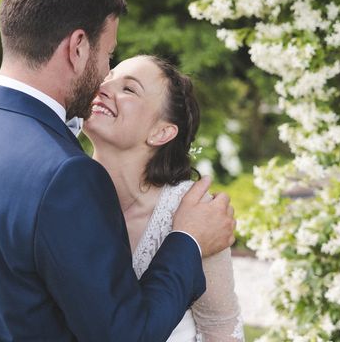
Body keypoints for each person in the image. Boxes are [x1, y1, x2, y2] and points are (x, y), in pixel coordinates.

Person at [0, 0, 236, 341]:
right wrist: (188, 241)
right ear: (77, 47)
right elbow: (125, 334)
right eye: (107, 55)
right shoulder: (65, 173)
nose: (105, 74)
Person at [84, 55, 244, 341]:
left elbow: (220, 326)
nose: (104, 88)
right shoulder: (64, 194)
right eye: (108, 78)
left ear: (162, 132)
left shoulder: (191, 212)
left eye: (129, 89)